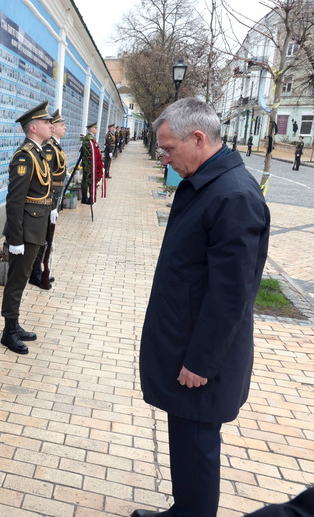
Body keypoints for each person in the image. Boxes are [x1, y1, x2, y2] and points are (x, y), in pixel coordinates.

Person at [134, 98, 269, 517]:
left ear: (198, 138)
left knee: (197, 447)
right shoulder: (207, 184)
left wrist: (201, 362)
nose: (165, 157)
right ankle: (184, 509)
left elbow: (232, 295)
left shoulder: (233, 197)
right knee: (187, 445)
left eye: (169, 149)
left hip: (199, 360)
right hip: (184, 343)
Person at [0, 101, 53, 355]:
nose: (50, 125)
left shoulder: (39, 153)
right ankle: (8, 331)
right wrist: (16, 238)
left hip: (36, 226)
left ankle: (15, 323)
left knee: (21, 280)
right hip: (25, 230)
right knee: (16, 279)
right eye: (46, 122)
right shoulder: (24, 157)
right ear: (33, 128)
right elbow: (15, 201)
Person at [29, 109, 67, 288]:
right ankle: (36, 272)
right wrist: (51, 205)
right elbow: (48, 178)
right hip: (47, 201)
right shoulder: (50, 149)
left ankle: (40, 271)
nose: (63, 128)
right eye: (61, 125)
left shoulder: (56, 146)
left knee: (47, 239)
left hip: (53, 200)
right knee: (43, 238)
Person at [80, 122, 104, 205]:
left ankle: (88, 198)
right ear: (91, 129)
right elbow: (88, 152)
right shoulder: (89, 139)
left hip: (90, 163)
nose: (97, 129)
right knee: (88, 180)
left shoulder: (91, 138)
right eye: (95, 128)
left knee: (88, 180)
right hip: (89, 163)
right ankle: (86, 198)